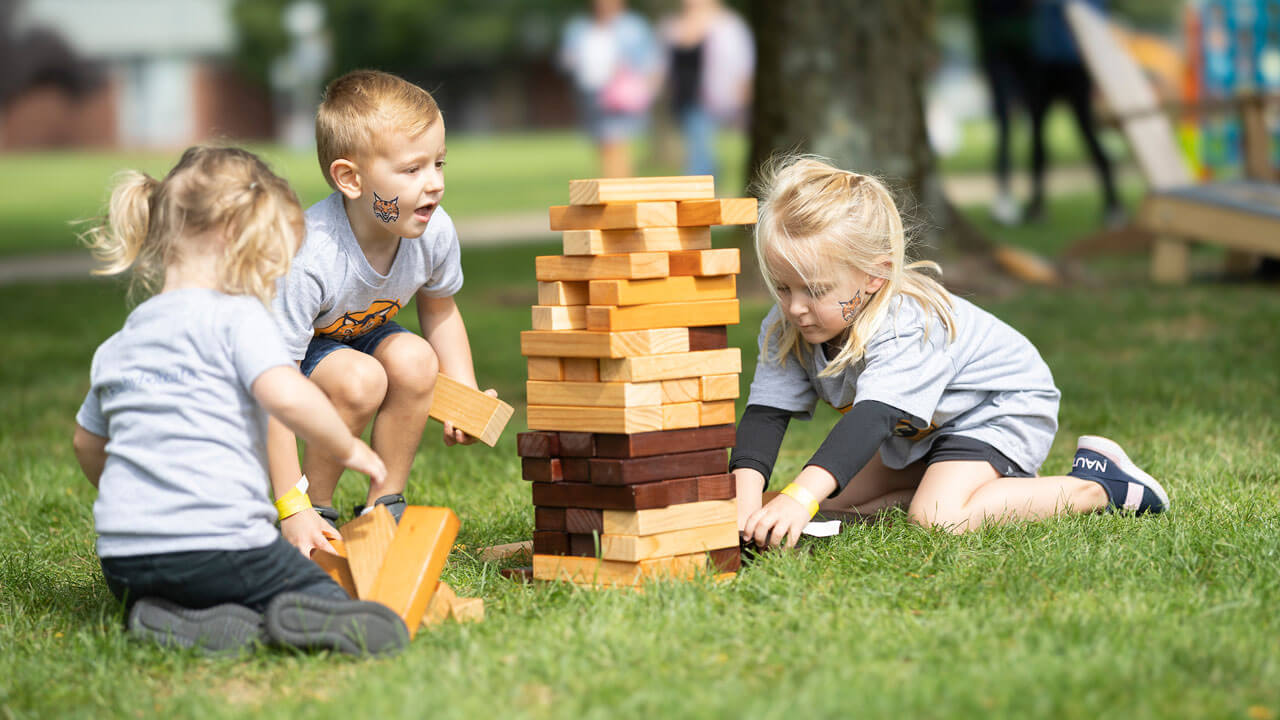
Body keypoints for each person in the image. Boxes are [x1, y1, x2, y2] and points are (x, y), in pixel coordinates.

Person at [731, 156, 1168, 548]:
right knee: (830, 501)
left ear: (874, 276)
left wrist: (799, 498)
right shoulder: (786, 325)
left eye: (815, 290)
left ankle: (1099, 484)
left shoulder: (906, 325)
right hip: (927, 435)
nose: (794, 307)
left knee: (936, 517)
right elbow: (766, 416)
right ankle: (961, 483)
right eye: (783, 287)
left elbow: (871, 421)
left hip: (998, 409)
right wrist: (743, 512)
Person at [72, 146, 409, 655]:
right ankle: (304, 613)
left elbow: (86, 443)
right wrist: (347, 446)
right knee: (322, 592)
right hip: (222, 547)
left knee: (198, 589)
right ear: (238, 242)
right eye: (272, 261)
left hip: (126, 559)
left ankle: (172, 618)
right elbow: (286, 393)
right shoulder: (237, 318)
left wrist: (139, 498)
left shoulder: (118, 344)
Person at [269, 70, 498, 556]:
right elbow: (277, 386)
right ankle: (318, 515)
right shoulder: (310, 256)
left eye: (438, 163)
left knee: (417, 359)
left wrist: (464, 392)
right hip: (280, 358)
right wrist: (291, 503)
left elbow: (440, 309)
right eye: (412, 170)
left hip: (353, 333)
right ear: (350, 178)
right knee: (360, 379)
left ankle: (383, 509)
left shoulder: (433, 231)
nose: (434, 184)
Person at [1024, 0, 1122, 226]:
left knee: (1088, 132)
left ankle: (1113, 202)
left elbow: (1097, 24)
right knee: (1037, 134)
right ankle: (1036, 203)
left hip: (1075, 65)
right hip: (1045, 64)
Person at [560, 0, 663, 178]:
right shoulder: (580, 27)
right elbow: (566, 59)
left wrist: (647, 89)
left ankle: (620, 187)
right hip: (591, 92)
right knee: (603, 143)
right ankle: (613, 185)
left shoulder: (633, 26)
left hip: (620, 94)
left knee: (616, 140)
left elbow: (650, 60)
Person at [659, 0, 754, 178]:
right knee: (699, 151)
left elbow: (743, 63)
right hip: (683, 100)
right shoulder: (673, 26)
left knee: (701, 154)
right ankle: (705, 191)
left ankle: (699, 194)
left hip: (712, 99)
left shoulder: (727, 26)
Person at [971, 0, 1033, 226]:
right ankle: (1005, 193)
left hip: (1026, 56)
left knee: (1031, 129)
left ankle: (1034, 197)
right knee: (1005, 129)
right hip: (1000, 55)